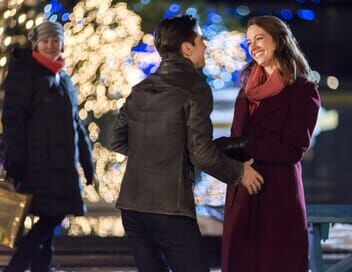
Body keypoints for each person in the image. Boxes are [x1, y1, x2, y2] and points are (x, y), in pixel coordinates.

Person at [110, 15, 264, 272]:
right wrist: (240, 173)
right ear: (187, 48)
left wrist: (159, 154)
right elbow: (201, 153)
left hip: (131, 206)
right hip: (170, 207)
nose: (206, 46)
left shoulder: (140, 89)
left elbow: (116, 140)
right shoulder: (195, 88)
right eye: (201, 40)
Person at [221, 16, 321, 272]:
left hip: (277, 197)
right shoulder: (246, 91)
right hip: (243, 194)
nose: (252, 46)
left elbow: (293, 149)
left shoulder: (302, 90)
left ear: (277, 41)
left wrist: (241, 144)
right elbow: (234, 142)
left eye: (259, 38)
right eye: (248, 41)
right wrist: (237, 164)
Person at [2, 21, 94, 272]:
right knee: (51, 216)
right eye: (46, 41)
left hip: (61, 165)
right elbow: (13, 119)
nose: (51, 45)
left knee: (51, 216)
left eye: (56, 41)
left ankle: (41, 267)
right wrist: (17, 162)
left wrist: (87, 161)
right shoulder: (25, 73)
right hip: (36, 164)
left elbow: (77, 123)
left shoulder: (63, 77)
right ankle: (17, 267)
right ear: (36, 44)